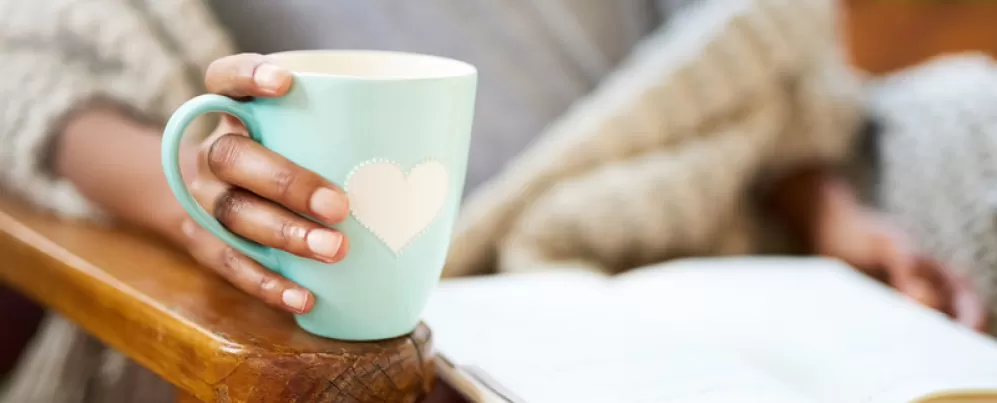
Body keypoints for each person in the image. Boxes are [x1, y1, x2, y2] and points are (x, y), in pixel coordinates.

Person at [0, 0, 991, 401]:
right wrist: (190, 188)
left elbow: (754, 54)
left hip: (703, 200)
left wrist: (829, 212)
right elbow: (36, 55)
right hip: (428, 275)